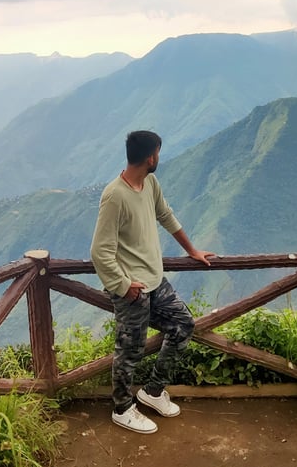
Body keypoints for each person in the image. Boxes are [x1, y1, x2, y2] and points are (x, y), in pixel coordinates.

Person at [90, 130, 215, 434]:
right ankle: (122, 409)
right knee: (129, 351)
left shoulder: (150, 183)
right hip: (131, 290)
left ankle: (154, 391)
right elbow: (99, 251)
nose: (159, 157)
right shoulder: (114, 196)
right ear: (150, 157)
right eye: (158, 152)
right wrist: (122, 285)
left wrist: (192, 250)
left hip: (155, 281)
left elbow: (166, 215)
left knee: (183, 323)